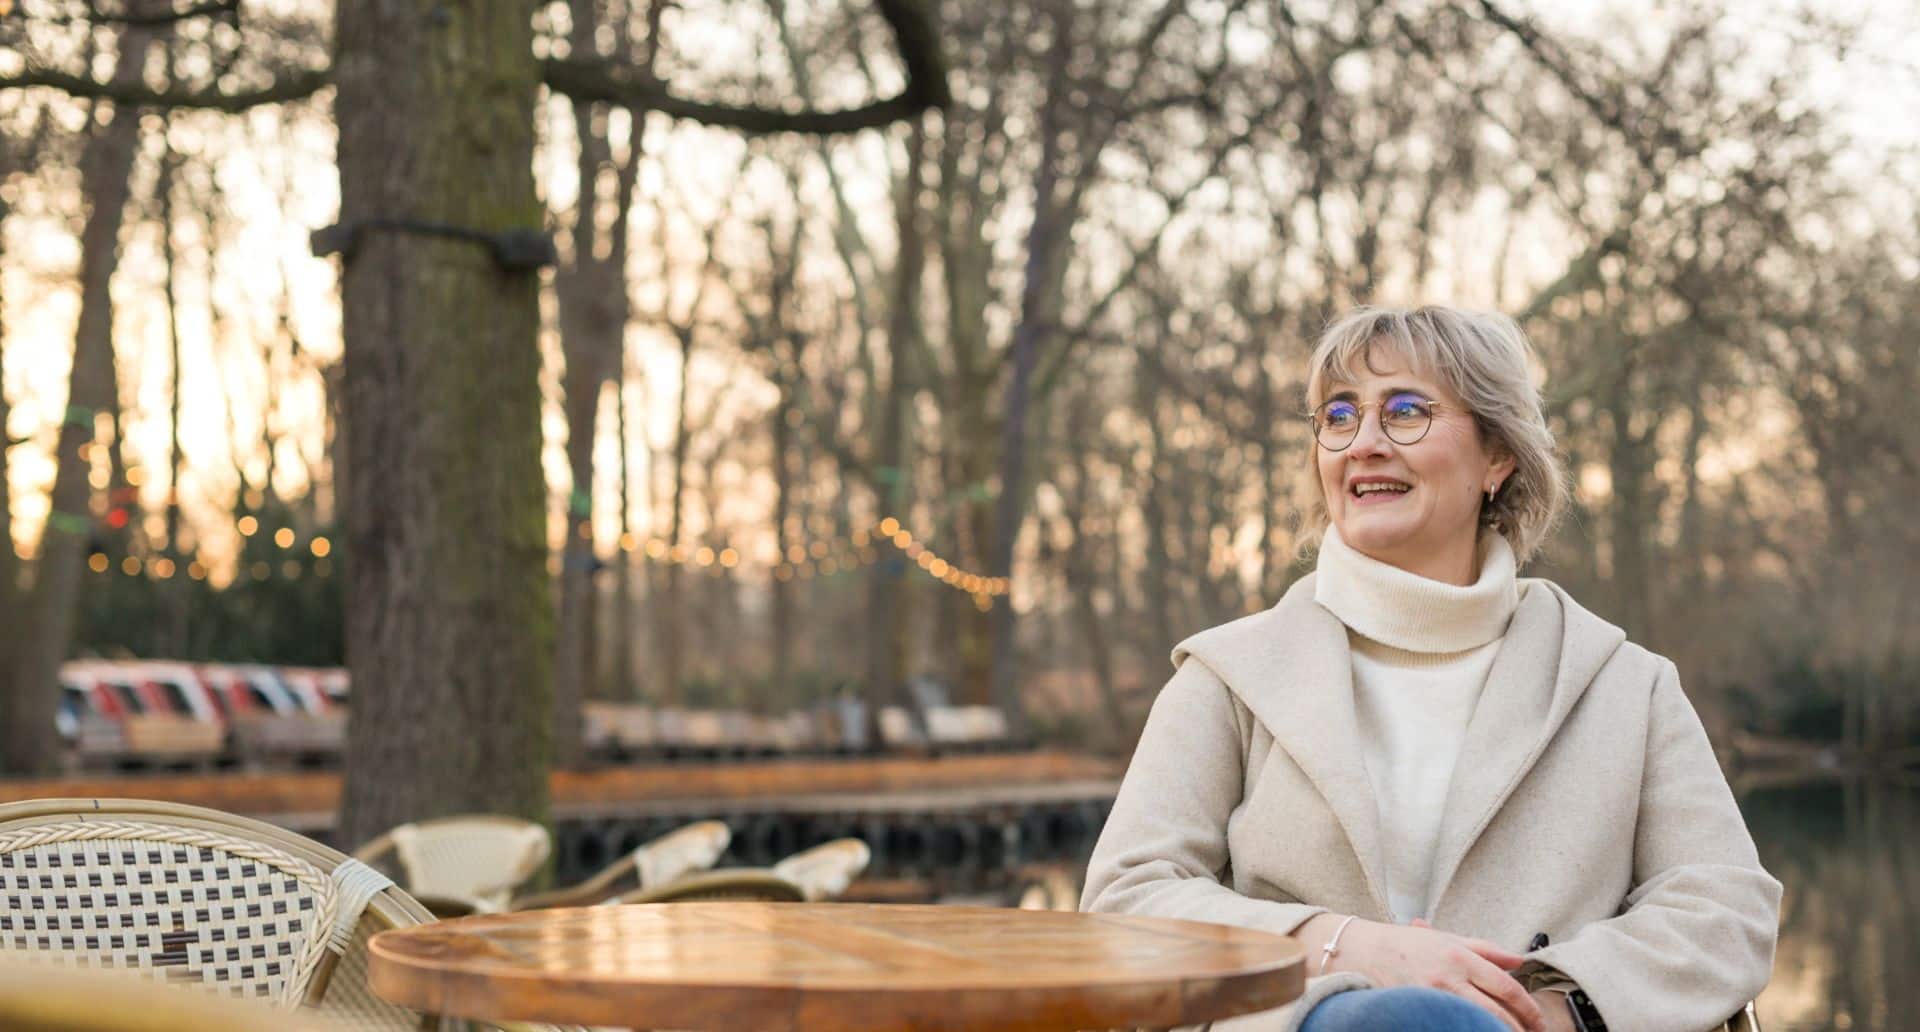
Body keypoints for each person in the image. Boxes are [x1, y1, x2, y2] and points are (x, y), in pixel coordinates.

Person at [1080, 306, 1780, 1032]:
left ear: (1497, 456)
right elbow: (1124, 902)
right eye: (1339, 415)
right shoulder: (1228, 676)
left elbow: (1727, 910)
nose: (1364, 443)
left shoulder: (1622, 683)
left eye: (1406, 411)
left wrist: (1556, 1008)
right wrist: (1351, 949)